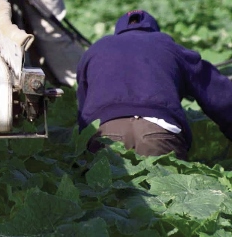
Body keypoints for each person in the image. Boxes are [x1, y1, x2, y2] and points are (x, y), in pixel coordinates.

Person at [76, 10, 232, 160]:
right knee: (163, 187)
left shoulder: (95, 50)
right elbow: (219, 97)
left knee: (106, 186)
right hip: (159, 131)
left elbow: (84, 108)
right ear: (154, 30)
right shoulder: (168, 45)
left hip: (106, 131)